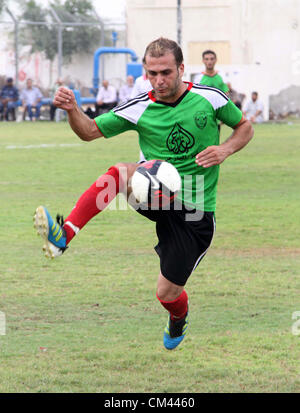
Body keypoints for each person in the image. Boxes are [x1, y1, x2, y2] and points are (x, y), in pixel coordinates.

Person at [34, 37, 253, 351]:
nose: (159, 80)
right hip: (155, 192)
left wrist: (225, 149)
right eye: (152, 73)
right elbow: (89, 131)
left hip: (195, 211)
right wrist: (72, 109)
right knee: (121, 172)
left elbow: (244, 126)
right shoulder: (140, 106)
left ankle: (178, 318)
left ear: (180, 69)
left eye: (165, 72)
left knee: (167, 293)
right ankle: (64, 235)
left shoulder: (210, 98)